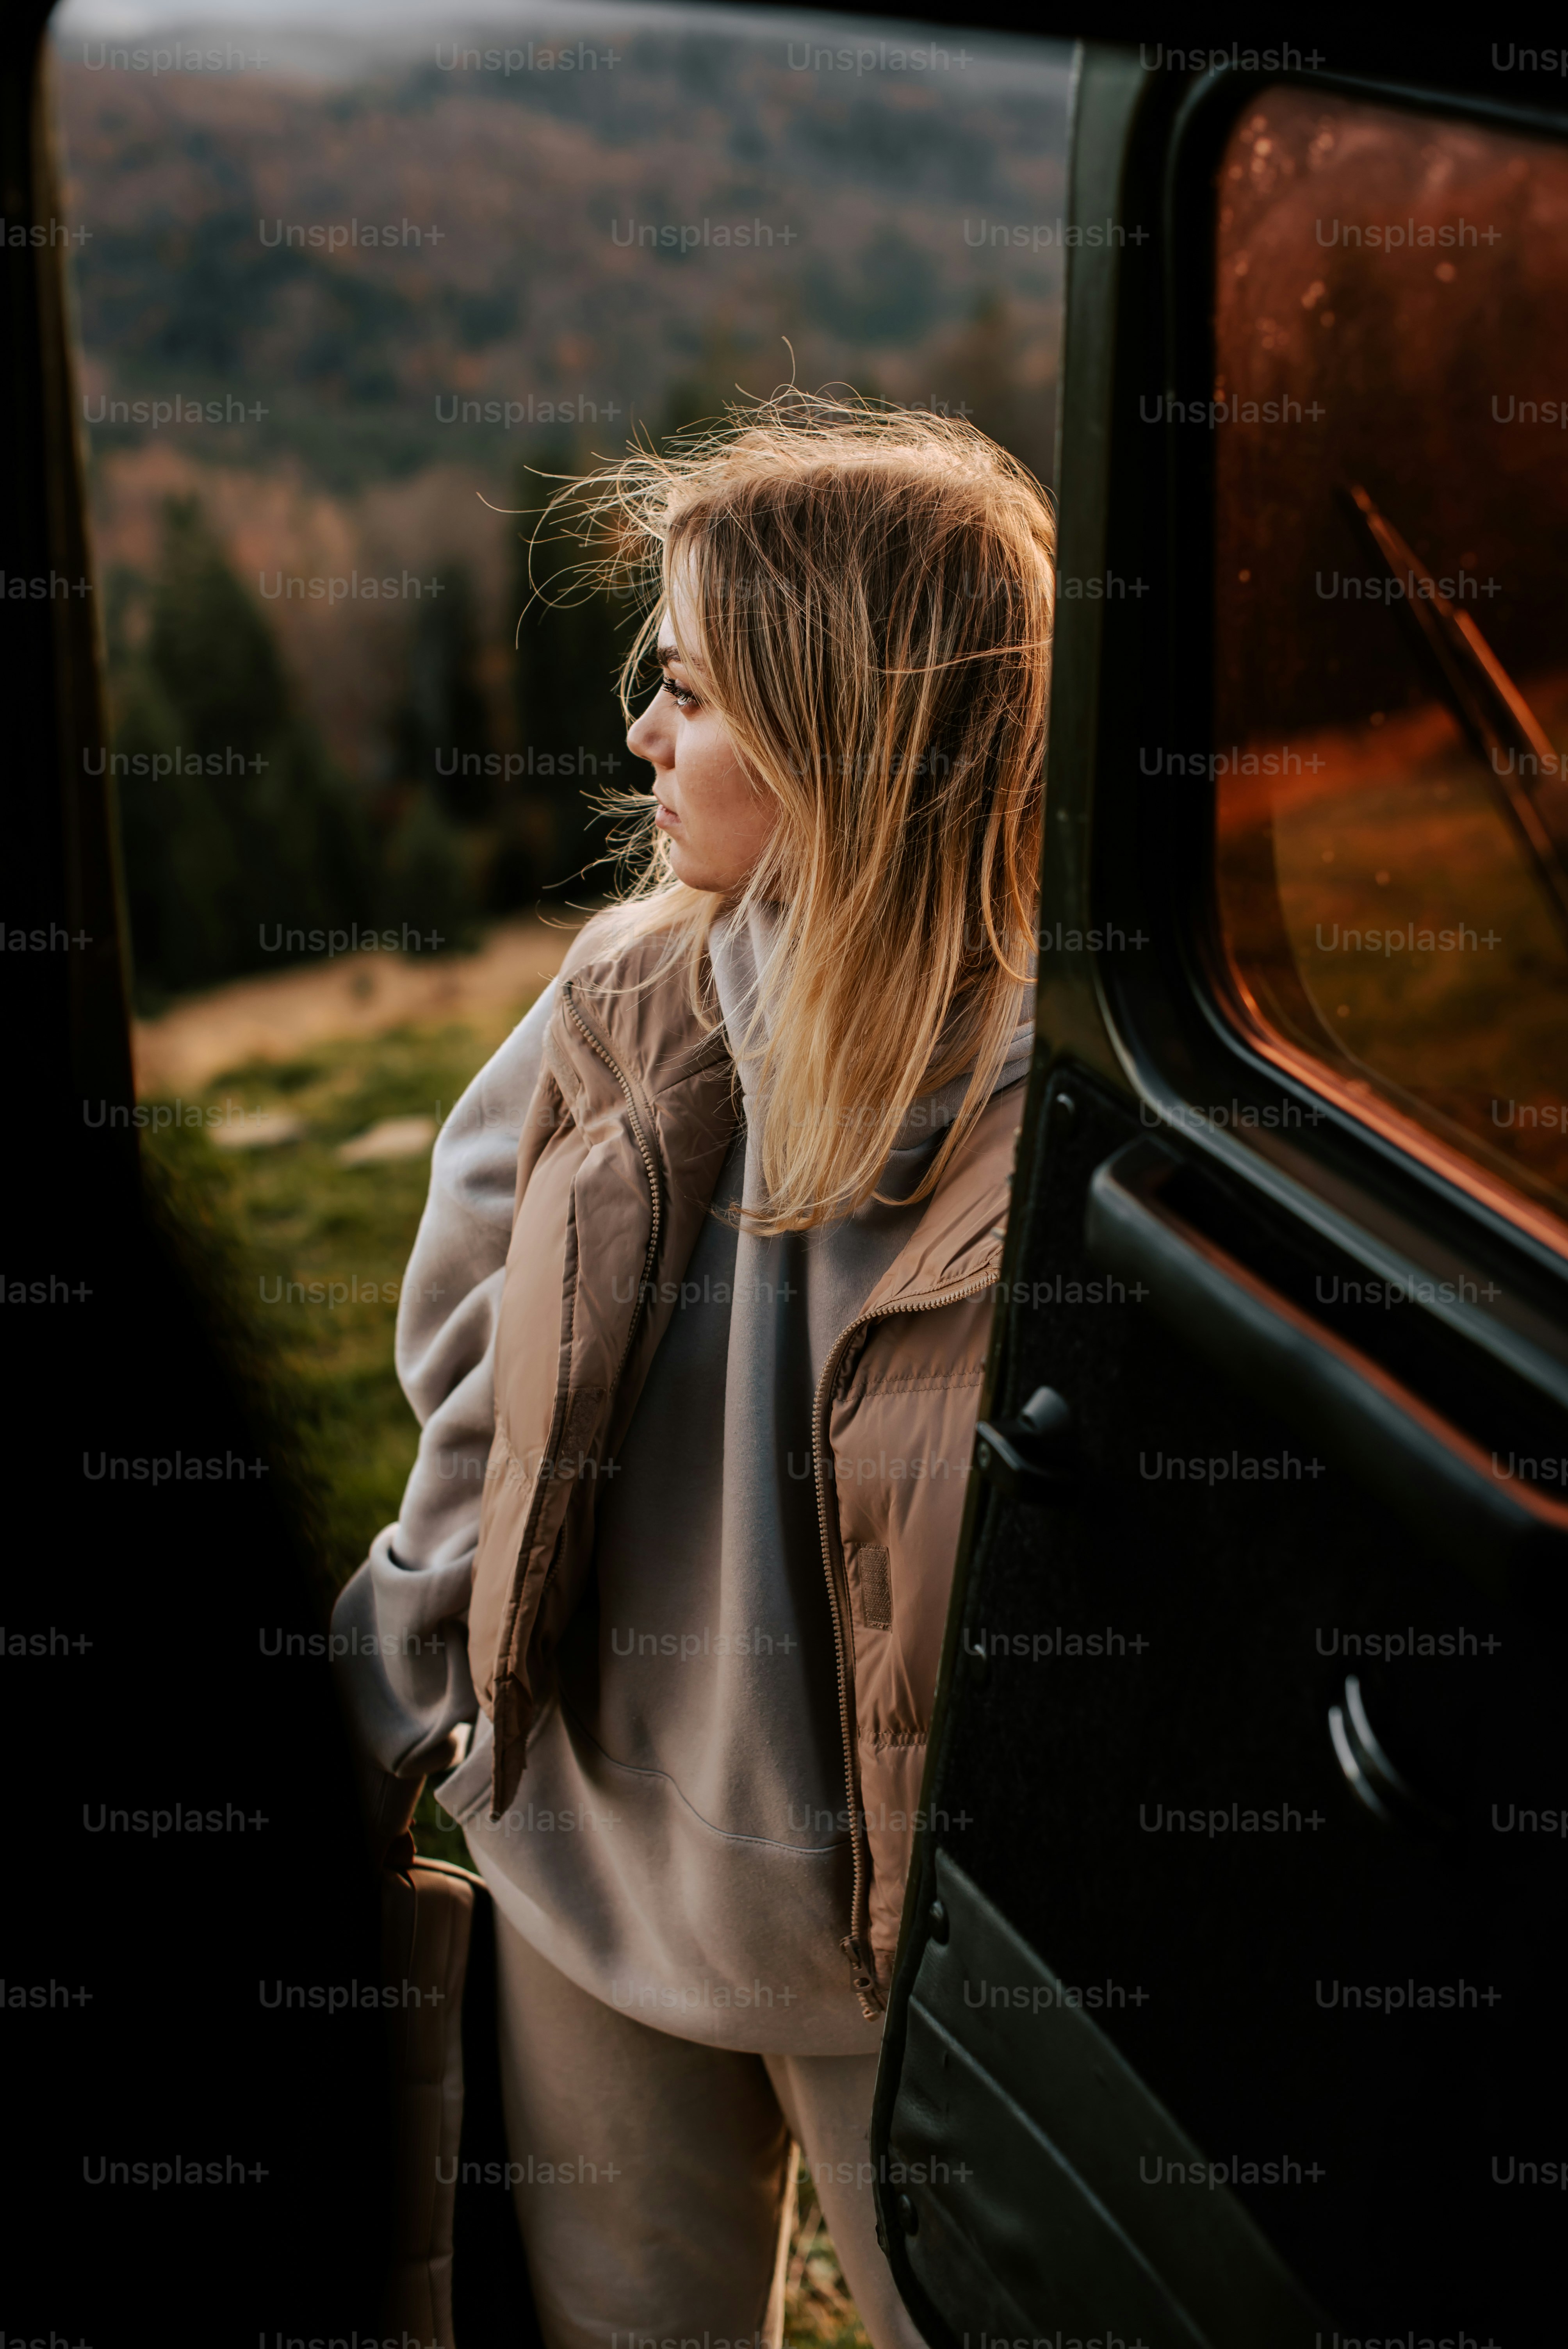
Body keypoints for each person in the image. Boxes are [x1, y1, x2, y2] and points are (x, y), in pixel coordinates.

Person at [332, 390, 1055, 2349]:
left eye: (692, 691)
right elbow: (477, 1392)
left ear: (847, 723)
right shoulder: (620, 995)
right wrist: (394, 1672)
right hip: (585, 1849)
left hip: (891, 1945)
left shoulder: (1055, 1101)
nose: (642, 735)